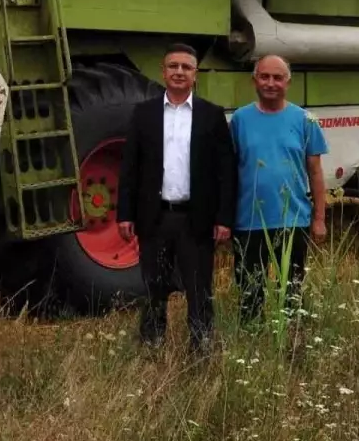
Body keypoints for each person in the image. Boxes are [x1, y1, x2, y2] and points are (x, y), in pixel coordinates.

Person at [116, 43, 237, 353]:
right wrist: (125, 214)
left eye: (186, 67)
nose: (179, 72)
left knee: (199, 289)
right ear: (163, 71)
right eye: (173, 66)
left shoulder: (211, 116)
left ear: (195, 74)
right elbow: (130, 167)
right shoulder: (144, 114)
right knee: (153, 287)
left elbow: (226, 172)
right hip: (155, 218)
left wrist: (224, 218)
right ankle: (151, 346)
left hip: (195, 220)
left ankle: (202, 346)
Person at [229, 54, 329, 325]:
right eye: (264, 76)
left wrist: (319, 219)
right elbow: (229, 172)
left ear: (288, 82)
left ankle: (291, 343)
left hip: (292, 219)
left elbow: (316, 172)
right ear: (254, 80)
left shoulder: (305, 121)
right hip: (249, 220)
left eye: (277, 77)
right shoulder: (240, 120)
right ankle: (250, 343)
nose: (270, 83)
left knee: (292, 290)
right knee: (250, 290)